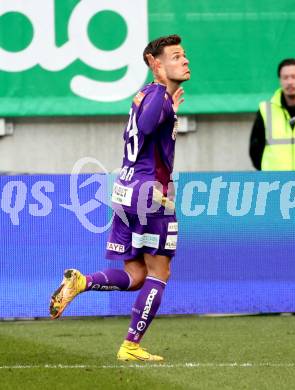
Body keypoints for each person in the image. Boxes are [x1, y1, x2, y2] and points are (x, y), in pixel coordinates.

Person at [49, 34, 190, 362]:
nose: (184, 60)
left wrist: (168, 107)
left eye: (184, 55)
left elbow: (144, 130)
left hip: (125, 188)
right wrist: (164, 105)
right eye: (176, 56)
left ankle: (81, 282)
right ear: (156, 64)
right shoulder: (156, 96)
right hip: (149, 193)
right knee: (159, 273)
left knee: (135, 275)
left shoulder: (146, 94)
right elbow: (146, 123)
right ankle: (131, 345)